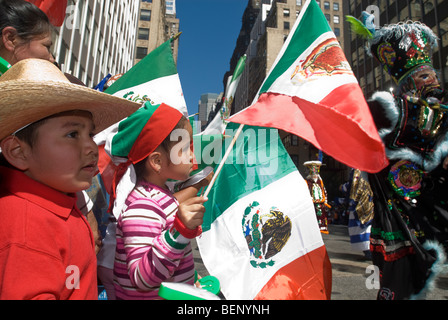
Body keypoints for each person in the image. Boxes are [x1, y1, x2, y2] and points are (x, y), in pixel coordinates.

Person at [0, 58, 140, 299]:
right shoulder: (25, 227)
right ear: (18, 152)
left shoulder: (57, 202)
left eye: (91, 133)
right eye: (72, 134)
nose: (91, 146)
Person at [348, 13, 448, 299]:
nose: (434, 82)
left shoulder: (441, 114)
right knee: (398, 282)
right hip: (397, 211)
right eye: (426, 76)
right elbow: (357, 127)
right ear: (409, 82)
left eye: (435, 75)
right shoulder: (386, 108)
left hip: (431, 206)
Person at [104, 102, 208, 300]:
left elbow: (173, 258)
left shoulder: (161, 196)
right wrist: (179, 230)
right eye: (185, 148)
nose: (192, 155)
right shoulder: (142, 206)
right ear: (157, 161)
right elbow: (143, 279)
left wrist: (189, 278)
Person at [304, 160, 330, 234]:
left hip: (321, 204)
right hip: (312, 205)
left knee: (321, 218)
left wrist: (325, 202)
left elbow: (324, 191)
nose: (315, 175)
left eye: (316, 173)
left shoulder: (320, 182)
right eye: (313, 173)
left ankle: (321, 228)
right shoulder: (307, 182)